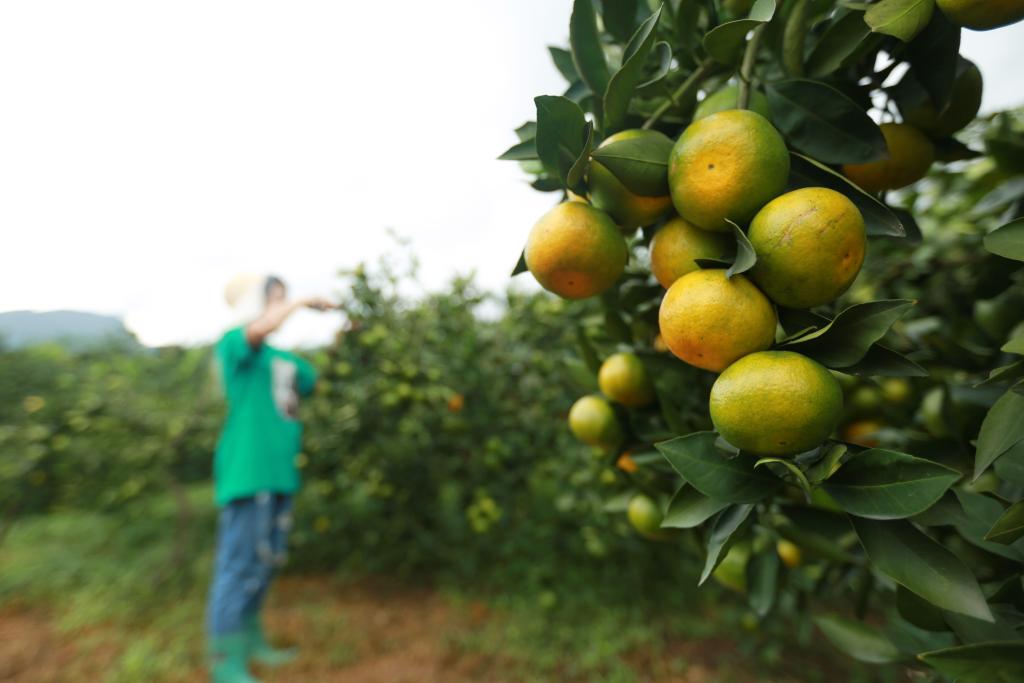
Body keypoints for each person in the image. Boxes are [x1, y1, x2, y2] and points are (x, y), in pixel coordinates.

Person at [207, 274, 335, 683]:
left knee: (265, 563)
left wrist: (346, 336)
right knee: (239, 565)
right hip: (248, 472)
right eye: (274, 299)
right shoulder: (235, 344)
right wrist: (299, 303)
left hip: (281, 475)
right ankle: (224, 661)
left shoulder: (285, 360)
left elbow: (315, 380)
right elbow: (260, 329)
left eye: (282, 300)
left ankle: (251, 641)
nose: (281, 307)